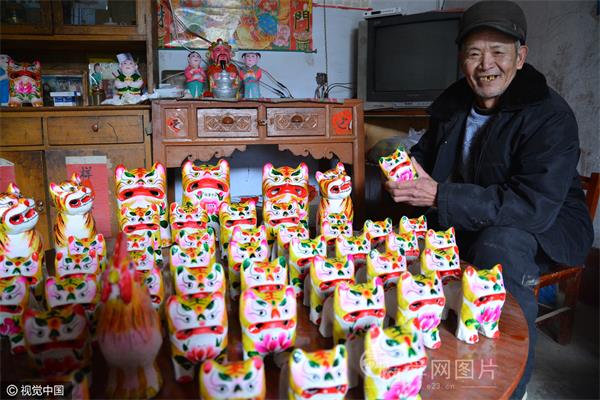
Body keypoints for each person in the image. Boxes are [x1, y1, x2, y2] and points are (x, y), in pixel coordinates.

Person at [383, 1, 594, 398]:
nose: (486, 65)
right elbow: (424, 159)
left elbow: (532, 206)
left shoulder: (550, 116)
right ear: (461, 59)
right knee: (404, 236)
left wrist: (441, 194)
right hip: (475, 213)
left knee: (499, 246)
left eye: (498, 52)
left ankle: (509, 387)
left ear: (520, 57)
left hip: (543, 226)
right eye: (474, 53)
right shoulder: (453, 104)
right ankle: (414, 356)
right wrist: (402, 172)